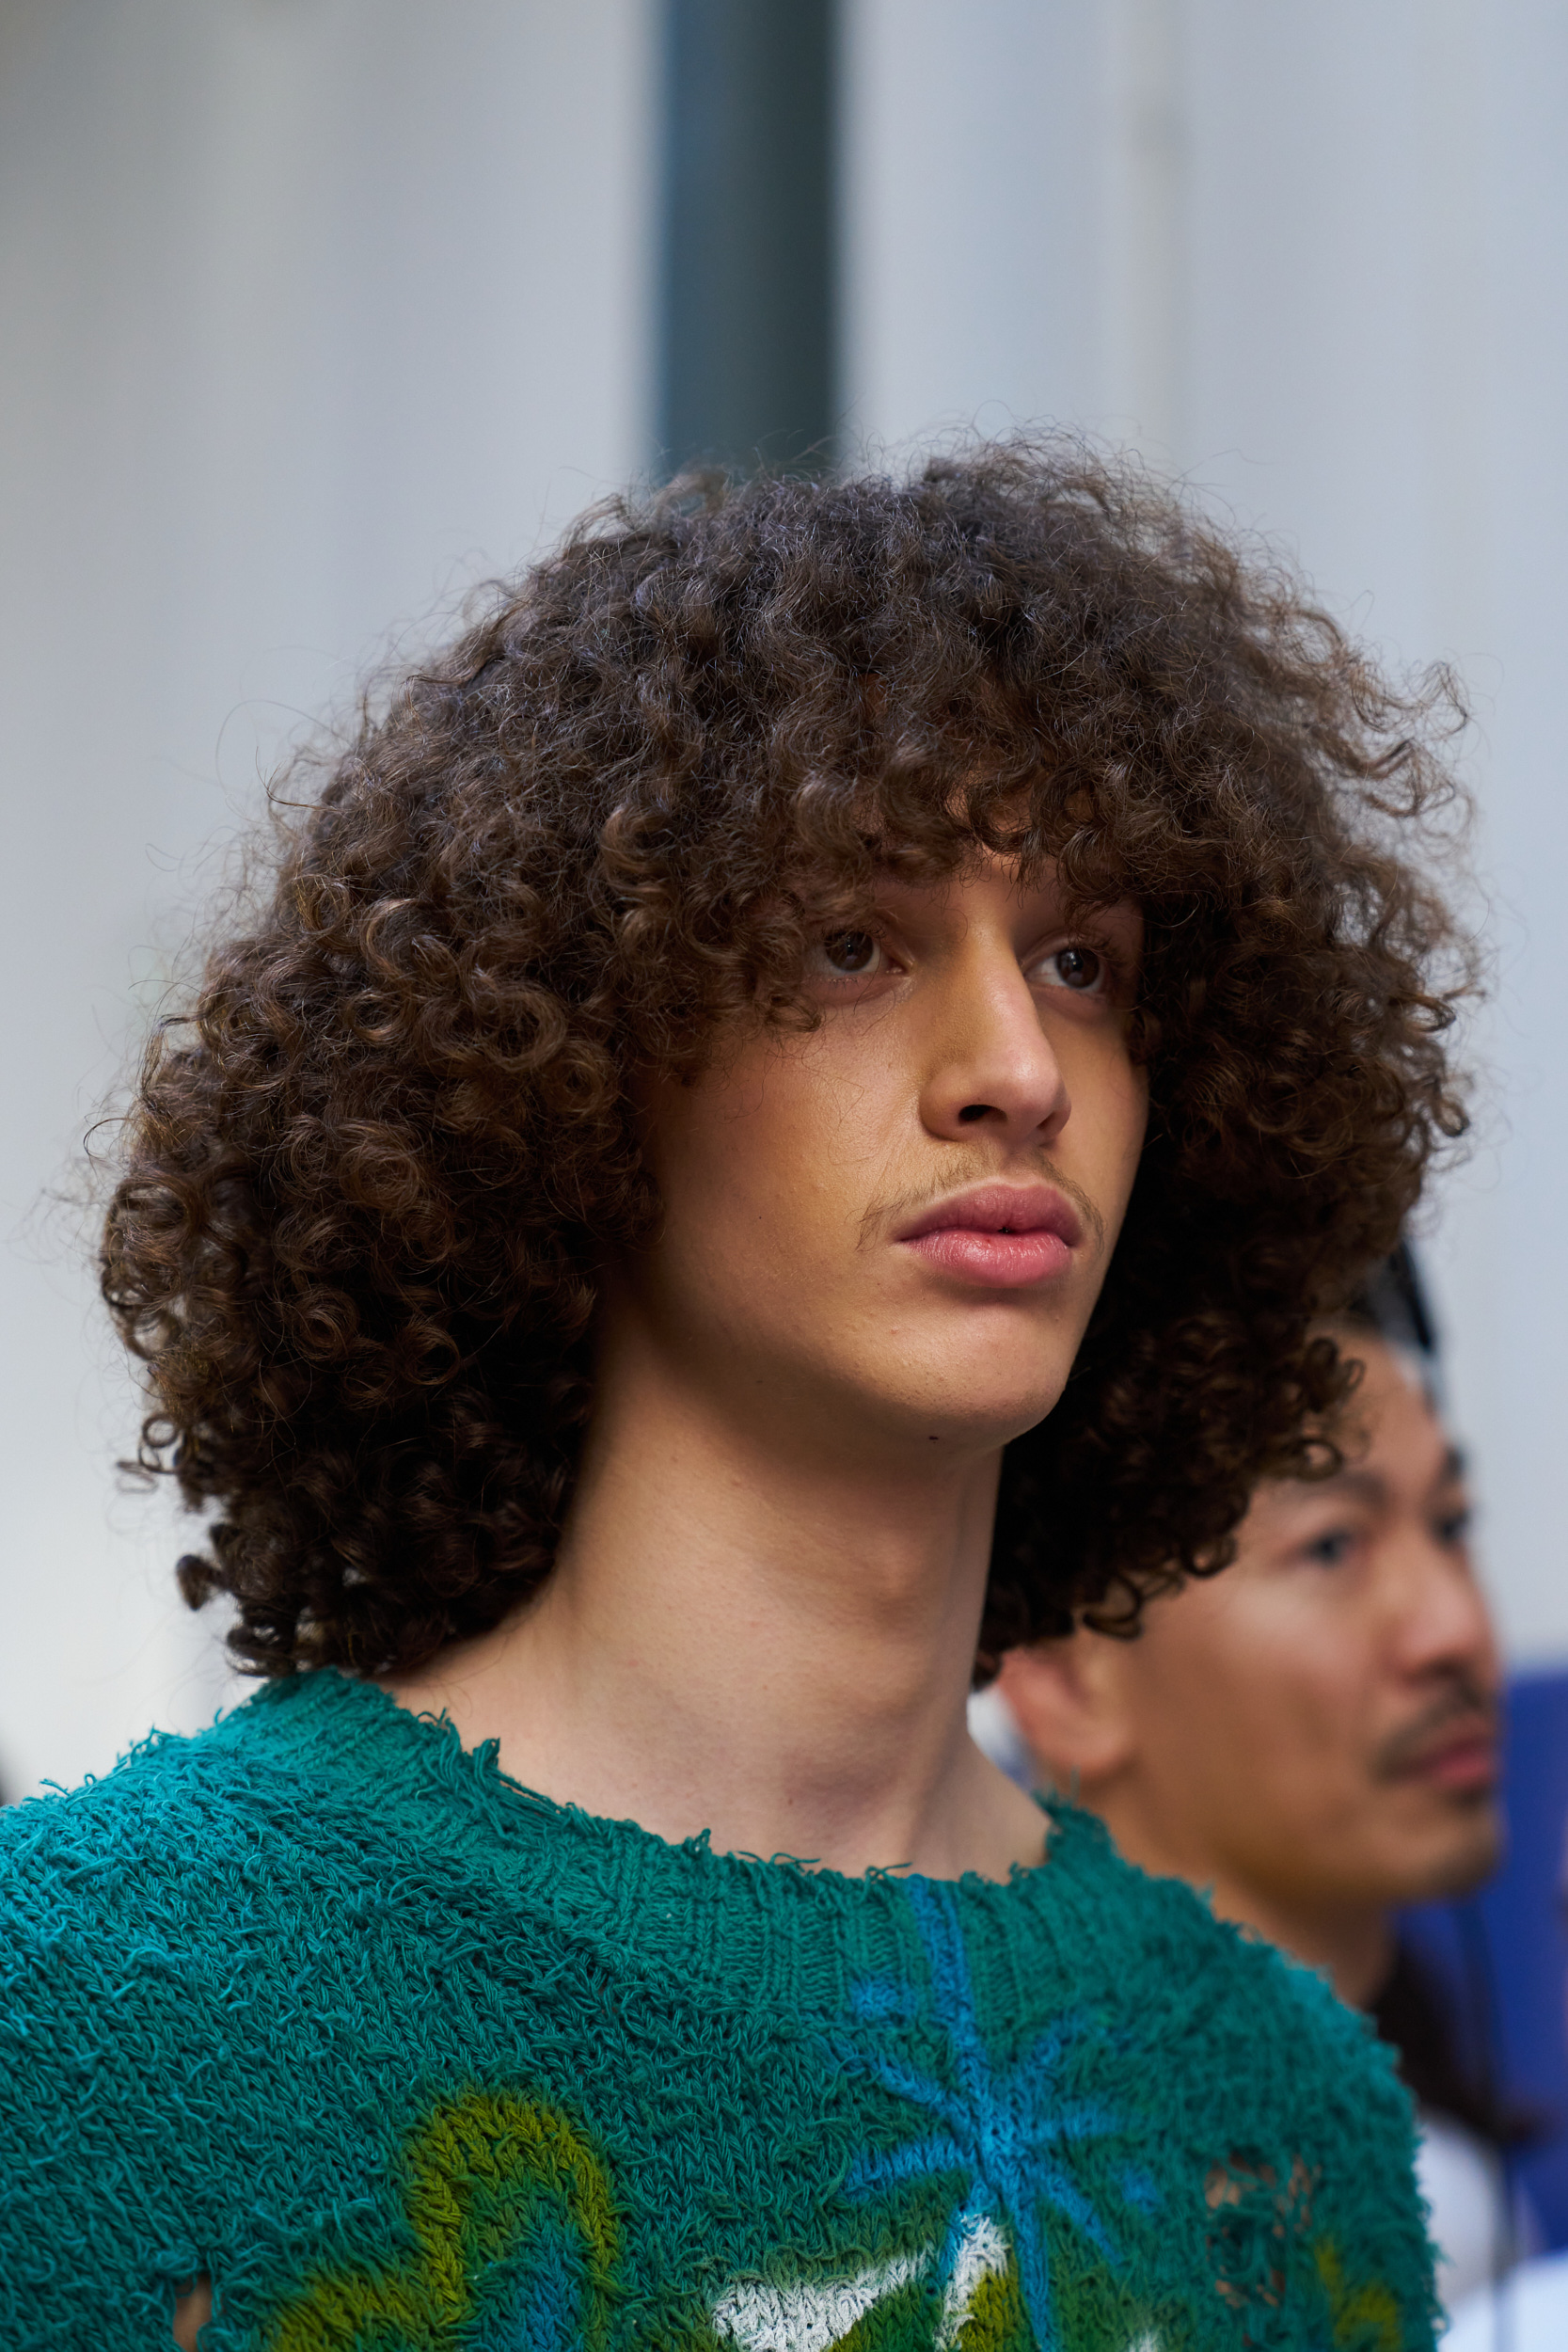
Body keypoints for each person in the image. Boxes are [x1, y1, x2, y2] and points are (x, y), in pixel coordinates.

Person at [0, 443, 1470, 2351]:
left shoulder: (1274, 2119)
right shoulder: (106, 1995)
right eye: (851, 942)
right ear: (571, 1058)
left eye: (1081, 959)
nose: (1013, 1063)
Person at [996, 1249, 1530, 2314]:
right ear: (1060, 1678)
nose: (1455, 1631)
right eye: (1332, 1546)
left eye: (1450, 1525)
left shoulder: (1404, 2128)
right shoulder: (1039, 2244)